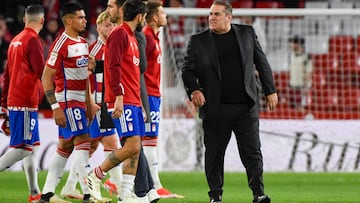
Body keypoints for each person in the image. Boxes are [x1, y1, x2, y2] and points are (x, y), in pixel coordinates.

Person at [181, 1, 278, 203]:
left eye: (216, 14)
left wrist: (270, 90)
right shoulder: (198, 41)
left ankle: (258, 194)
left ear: (229, 17)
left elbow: (262, 62)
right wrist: (194, 89)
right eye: (210, 14)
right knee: (214, 154)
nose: (211, 17)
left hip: (245, 106)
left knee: (252, 152)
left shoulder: (246, 33)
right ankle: (215, 197)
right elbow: (187, 70)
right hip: (216, 109)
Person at [85, 0, 147, 202]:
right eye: (144, 17)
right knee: (131, 146)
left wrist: (140, 104)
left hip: (133, 100)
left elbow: (132, 74)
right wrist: (119, 97)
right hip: (122, 99)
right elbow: (113, 67)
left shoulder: (131, 38)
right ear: (140, 16)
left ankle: (125, 194)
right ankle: (95, 174)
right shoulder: (119, 34)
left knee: (135, 148)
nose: (144, 20)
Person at [59, 10, 121, 201]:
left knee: (91, 147)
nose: (111, 28)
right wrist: (91, 102)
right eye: (107, 25)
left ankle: (70, 186)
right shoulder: (94, 50)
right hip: (95, 104)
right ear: (99, 27)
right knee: (105, 144)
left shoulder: (112, 47)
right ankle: (118, 188)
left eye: (113, 25)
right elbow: (84, 77)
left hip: (104, 104)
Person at [39, 2, 96, 203]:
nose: (85, 20)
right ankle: (90, 193)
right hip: (67, 101)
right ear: (69, 20)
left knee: (65, 146)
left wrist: (89, 105)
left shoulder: (83, 42)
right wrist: (55, 108)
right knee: (83, 142)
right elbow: (46, 78)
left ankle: (47, 193)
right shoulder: (60, 44)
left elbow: (85, 76)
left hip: (81, 102)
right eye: (80, 17)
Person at [0, 4, 45, 203]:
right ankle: (35, 193)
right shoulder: (33, 40)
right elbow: (41, 72)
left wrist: (3, 104)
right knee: (23, 148)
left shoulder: (15, 40)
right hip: (25, 101)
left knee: (32, 147)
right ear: (42, 21)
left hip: (15, 99)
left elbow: (7, 76)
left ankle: (35, 193)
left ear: (25, 19)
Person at [142, 1, 180, 198]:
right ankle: (155, 185)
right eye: (163, 13)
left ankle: (150, 185)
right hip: (147, 96)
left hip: (153, 95)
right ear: (155, 17)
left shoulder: (154, 37)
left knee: (146, 141)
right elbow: (138, 70)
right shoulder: (147, 37)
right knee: (149, 141)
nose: (166, 16)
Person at [288, 35, 313, 111]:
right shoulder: (291, 55)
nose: (290, 45)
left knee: (301, 108)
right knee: (294, 109)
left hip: (302, 87)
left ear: (297, 44)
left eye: (292, 43)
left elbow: (309, 72)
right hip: (293, 86)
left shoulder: (306, 57)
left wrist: (305, 86)